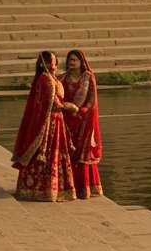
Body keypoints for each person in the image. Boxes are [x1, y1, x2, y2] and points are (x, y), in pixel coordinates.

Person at [12, 51, 77, 201]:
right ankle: (42, 188)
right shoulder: (45, 79)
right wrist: (70, 106)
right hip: (49, 122)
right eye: (52, 62)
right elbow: (53, 103)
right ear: (45, 64)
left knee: (56, 154)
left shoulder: (53, 78)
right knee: (47, 154)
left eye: (55, 61)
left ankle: (54, 188)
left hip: (57, 121)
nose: (55, 64)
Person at [61, 49, 103, 198]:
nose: (71, 62)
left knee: (82, 153)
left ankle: (85, 188)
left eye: (74, 60)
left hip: (84, 119)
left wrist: (82, 110)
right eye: (69, 60)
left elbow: (92, 100)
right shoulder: (63, 78)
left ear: (81, 62)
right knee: (68, 152)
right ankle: (69, 187)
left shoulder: (88, 78)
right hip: (67, 118)